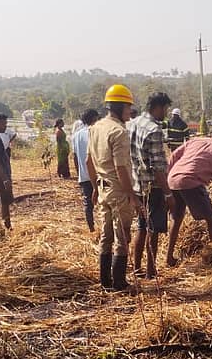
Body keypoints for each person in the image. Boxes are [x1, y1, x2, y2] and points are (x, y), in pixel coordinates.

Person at [86, 84, 144, 291]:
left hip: (102, 189)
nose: (130, 111)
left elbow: (88, 162)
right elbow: (121, 168)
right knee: (122, 236)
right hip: (118, 191)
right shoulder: (119, 132)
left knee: (106, 235)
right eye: (128, 106)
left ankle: (105, 281)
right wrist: (133, 197)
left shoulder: (96, 128)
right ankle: (119, 282)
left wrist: (94, 188)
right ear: (119, 107)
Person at [165, 121, 212, 268]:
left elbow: (173, 156)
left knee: (177, 217)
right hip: (190, 182)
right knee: (211, 219)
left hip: (172, 179)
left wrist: (168, 175)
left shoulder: (196, 140)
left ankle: (168, 257)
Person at [129, 92, 175, 279]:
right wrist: (168, 194)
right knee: (153, 230)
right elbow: (157, 167)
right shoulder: (154, 130)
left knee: (141, 226)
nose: (166, 112)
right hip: (152, 187)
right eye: (165, 109)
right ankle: (150, 271)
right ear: (158, 107)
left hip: (136, 185)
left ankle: (137, 268)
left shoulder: (132, 123)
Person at [72, 109, 99, 232]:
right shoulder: (94, 132)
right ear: (94, 119)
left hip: (83, 174)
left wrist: (79, 173)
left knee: (88, 203)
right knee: (104, 203)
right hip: (98, 174)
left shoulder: (76, 135)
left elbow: (75, 156)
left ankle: (91, 228)